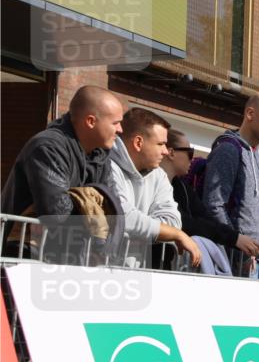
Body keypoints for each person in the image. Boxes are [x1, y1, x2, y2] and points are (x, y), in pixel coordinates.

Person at [2, 85, 121, 219]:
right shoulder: (47, 147)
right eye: (115, 123)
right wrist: (91, 203)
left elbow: (115, 210)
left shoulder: (100, 155)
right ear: (90, 121)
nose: (120, 129)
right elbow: (57, 213)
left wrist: (83, 202)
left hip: (71, 240)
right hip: (24, 239)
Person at [107, 108, 201, 267]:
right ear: (138, 143)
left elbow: (173, 220)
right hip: (97, 274)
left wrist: (142, 229)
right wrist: (174, 235)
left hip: (134, 276)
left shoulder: (159, 175)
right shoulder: (106, 166)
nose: (165, 151)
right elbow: (122, 217)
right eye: (161, 144)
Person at [163, 131, 259, 274]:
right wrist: (235, 239)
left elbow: (205, 218)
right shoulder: (152, 183)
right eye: (189, 153)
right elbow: (185, 222)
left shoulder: (183, 188)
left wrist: (235, 238)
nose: (193, 159)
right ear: (171, 153)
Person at [202, 92, 259, 255]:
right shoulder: (228, 150)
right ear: (250, 113)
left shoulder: (256, 154)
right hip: (234, 261)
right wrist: (235, 246)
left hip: (255, 259)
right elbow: (214, 204)